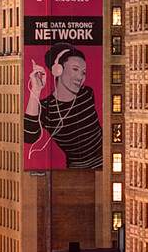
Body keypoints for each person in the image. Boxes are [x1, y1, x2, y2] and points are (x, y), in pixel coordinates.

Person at [24, 41, 103, 169]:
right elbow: (28, 137)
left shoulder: (87, 94)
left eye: (83, 72)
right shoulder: (46, 108)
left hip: (105, 163)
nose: (80, 77)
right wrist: (36, 90)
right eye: (75, 69)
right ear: (58, 70)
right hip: (77, 171)